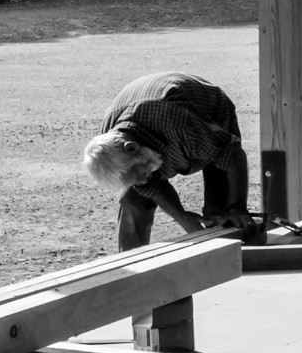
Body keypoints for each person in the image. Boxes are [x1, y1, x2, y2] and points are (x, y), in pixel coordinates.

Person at [83, 73, 254, 250]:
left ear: (132, 148)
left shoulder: (179, 125)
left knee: (221, 212)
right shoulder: (109, 146)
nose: (142, 181)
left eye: (140, 174)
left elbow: (232, 153)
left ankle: (231, 257)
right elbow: (150, 187)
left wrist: (237, 207)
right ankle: (133, 261)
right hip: (153, 128)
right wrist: (183, 218)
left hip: (207, 112)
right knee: (133, 201)